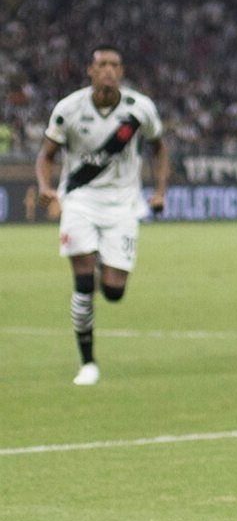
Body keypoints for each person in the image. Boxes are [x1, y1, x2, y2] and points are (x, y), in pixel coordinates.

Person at [34, 45, 168, 386]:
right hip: (80, 200)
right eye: (101, 65)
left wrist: (160, 191)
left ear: (122, 72)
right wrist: (45, 186)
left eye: (114, 65)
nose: (108, 70)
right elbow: (46, 153)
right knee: (82, 282)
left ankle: (99, 265)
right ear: (90, 71)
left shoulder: (140, 109)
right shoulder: (69, 109)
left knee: (113, 290)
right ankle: (88, 363)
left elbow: (159, 147)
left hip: (123, 204)